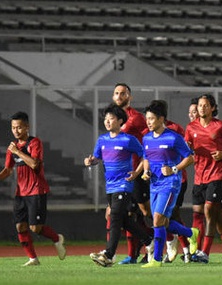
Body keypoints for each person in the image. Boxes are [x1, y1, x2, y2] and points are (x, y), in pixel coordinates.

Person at [0, 111, 66, 266]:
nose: (16, 131)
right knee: (20, 226)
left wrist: (17, 152)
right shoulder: (12, 147)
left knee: (35, 228)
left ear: (27, 127)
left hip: (36, 190)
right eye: (13, 128)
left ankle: (57, 239)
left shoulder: (34, 143)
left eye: (19, 127)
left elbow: (35, 164)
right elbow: (8, 170)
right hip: (21, 192)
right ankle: (33, 258)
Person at [84, 104, 153, 267]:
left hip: (124, 184)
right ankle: (149, 241)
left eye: (111, 118)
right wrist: (90, 161)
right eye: (106, 119)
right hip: (110, 185)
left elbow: (145, 155)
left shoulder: (128, 139)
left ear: (120, 121)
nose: (107, 122)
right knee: (122, 220)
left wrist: (136, 173)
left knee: (114, 216)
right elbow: (95, 159)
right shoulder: (102, 140)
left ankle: (109, 254)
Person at [184, 93, 222, 265]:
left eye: (205, 105)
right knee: (219, 215)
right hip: (199, 177)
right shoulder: (191, 128)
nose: (202, 108)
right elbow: (186, 148)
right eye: (199, 105)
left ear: (212, 108)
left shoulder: (220, 126)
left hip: (217, 174)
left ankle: (204, 252)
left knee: (209, 211)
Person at [136, 100, 198, 268]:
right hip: (154, 184)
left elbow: (190, 157)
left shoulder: (173, 137)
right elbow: (146, 157)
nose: (148, 122)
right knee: (162, 221)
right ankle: (190, 233)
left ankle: (156, 259)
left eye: (151, 118)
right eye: (147, 118)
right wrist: (145, 172)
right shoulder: (146, 138)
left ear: (161, 119)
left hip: (170, 183)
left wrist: (174, 169)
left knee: (157, 219)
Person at [110, 83, 154, 264]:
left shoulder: (136, 118)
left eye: (123, 93)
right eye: (116, 93)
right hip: (119, 174)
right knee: (127, 214)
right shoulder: (111, 117)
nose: (119, 96)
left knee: (146, 212)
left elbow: (148, 142)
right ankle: (133, 254)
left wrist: (144, 168)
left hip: (135, 173)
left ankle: (161, 243)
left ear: (130, 96)